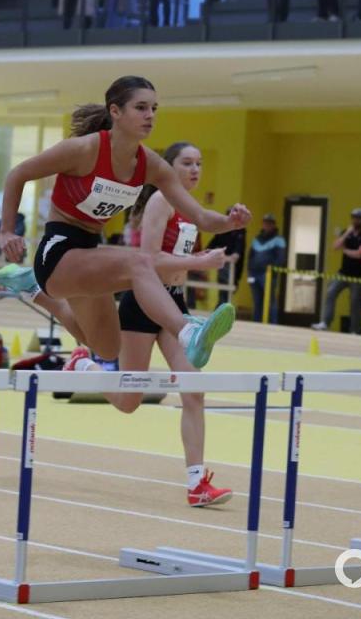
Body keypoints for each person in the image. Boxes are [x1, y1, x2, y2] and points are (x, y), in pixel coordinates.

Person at [0, 76, 249, 376]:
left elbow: (202, 217)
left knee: (108, 348)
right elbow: (18, 174)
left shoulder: (150, 165)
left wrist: (229, 222)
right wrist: (7, 230)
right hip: (58, 252)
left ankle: (35, 289)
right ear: (115, 111)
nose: (150, 115)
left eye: (154, 108)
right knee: (140, 263)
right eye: (141, 107)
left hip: (90, 254)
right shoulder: (84, 150)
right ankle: (187, 332)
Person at [113, 142, 234, 507]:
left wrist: (210, 246)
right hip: (143, 303)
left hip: (175, 304)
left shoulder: (188, 210)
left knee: (193, 389)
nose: (195, 170)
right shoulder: (160, 202)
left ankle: (197, 484)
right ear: (168, 167)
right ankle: (83, 365)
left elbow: (177, 261)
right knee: (129, 401)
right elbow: (147, 261)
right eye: (187, 163)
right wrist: (200, 262)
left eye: (200, 163)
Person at [312, 208, 361, 333]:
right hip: (343, 272)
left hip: (358, 276)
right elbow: (335, 246)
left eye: (358, 218)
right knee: (330, 292)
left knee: (355, 303)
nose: (355, 220)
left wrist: (345, 250)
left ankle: (355, 330)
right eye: (353, 217)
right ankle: (325, 322)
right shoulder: (348, 232)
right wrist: (345, 234)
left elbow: (359, 254)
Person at [247, 214, 286, 323]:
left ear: (274, 225)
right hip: (254, 273)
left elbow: (281, 258)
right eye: (265, 222)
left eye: (269, 223)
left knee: (270, 300)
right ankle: (256, 323)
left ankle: (273, 324)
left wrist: (272, 272)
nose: (267, 225)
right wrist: (249, 272)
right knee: (257, 300)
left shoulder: (279, 240)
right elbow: (250, 257)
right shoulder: (256, 239)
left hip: (268, 274)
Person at [205, 217, 246, 306]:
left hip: (233, 269)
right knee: (223, 293)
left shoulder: (240, 232)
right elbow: (208, 249)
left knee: (226, 292)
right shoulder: (221, 231)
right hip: (223, 268)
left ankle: (221, 311)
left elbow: (235, 257)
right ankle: (220, 312)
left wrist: (222, 257)